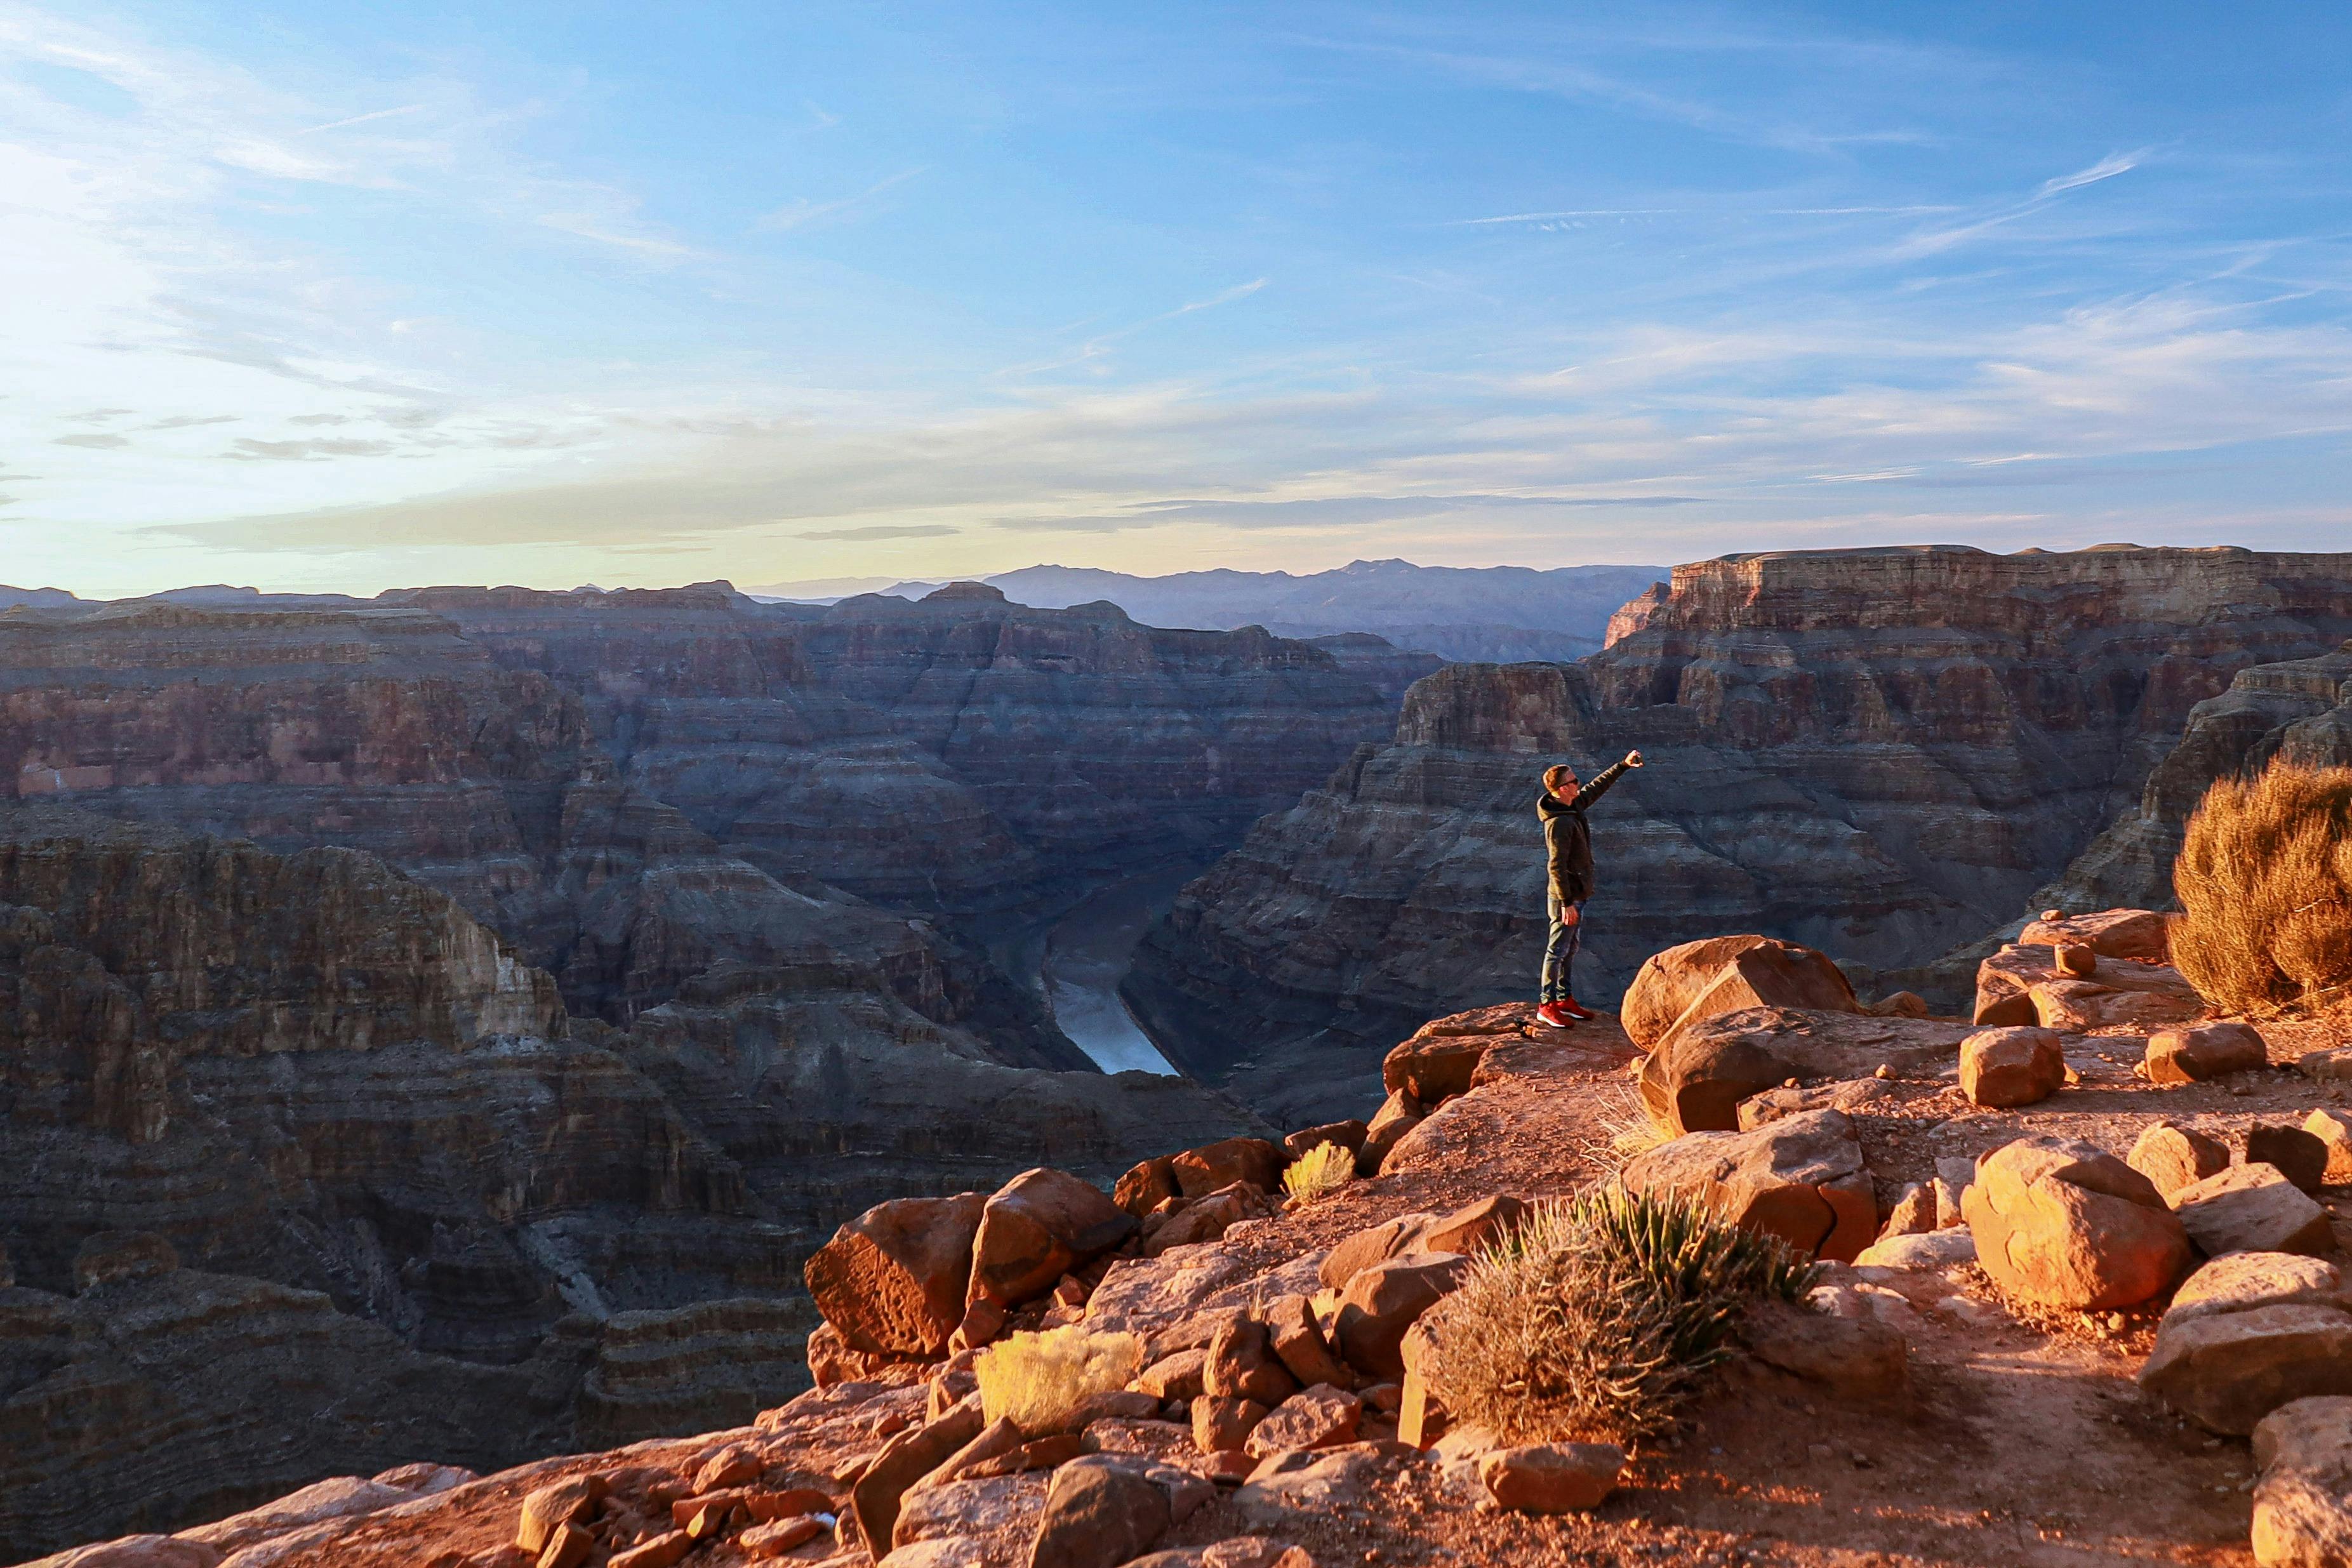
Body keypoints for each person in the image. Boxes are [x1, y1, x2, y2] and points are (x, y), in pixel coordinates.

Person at [1536, 748, 1644, 1028]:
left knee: (1570, 949)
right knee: (1556, 950)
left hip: (1577, 895)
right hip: (1566, 898)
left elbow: (1596, 789)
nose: (1579, 783)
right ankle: (1546, 1005)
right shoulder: (1559, 822)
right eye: (1573, 781)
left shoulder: (1571, 806)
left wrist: (1623, 765)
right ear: (1561, 789)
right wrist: (1566, 903)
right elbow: (1555, 866)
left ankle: (1565, 1000)